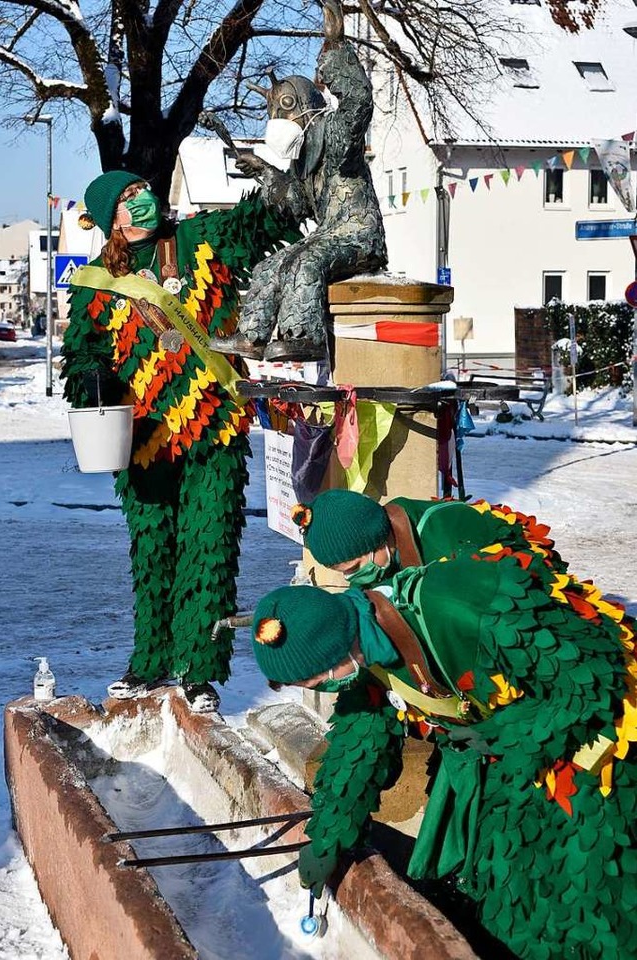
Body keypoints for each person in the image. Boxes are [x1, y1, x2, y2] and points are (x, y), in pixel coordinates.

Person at [250, 547, 637, 960]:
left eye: (314, 678)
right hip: (508, 762)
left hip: (594, 755)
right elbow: (359, 751)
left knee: (582, 898)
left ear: (336, 648)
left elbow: (592, 677)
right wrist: (327, 838)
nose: (318, 689)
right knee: (504, 884)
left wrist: (502, 733)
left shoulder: (458, 607)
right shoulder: (364, 654)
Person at [62, 171, 298, 711]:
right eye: (127, 199)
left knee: (209, 548)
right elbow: (83, 352)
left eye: (142, 190)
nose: (142, 200)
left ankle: (198, 669)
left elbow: (255, 224)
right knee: (152, 550)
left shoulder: (197, 240)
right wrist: (90, 380)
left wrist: (287, 179)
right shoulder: (96, 281)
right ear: (111, 220)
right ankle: (149, 661)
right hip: (141, 437)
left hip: (215, 427)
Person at [210, 0, 387, 362]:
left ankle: (304, 337)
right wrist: (263, 169)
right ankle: (252, 337)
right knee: (270, 266)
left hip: (359, 236)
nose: (278, 118)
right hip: (327, 236)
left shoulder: (335, 134)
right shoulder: (302, 157)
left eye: (285, 106)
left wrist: (335, 47)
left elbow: (358, 102)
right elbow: (297, 204)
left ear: (305, 102)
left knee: (305, 263)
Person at [290, 488, 567, 588]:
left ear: (377, 540)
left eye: (355, 568)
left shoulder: (443, 538)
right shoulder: (385, 546)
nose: (353, 579)